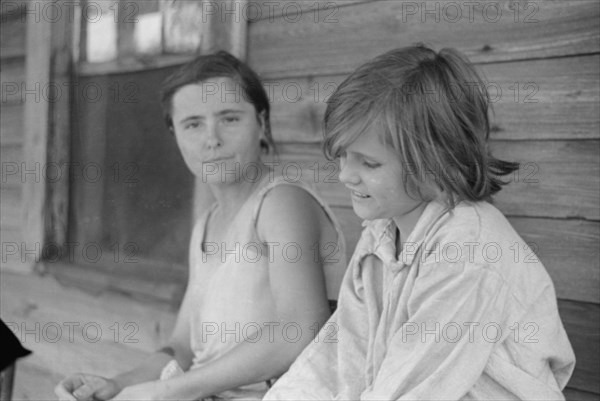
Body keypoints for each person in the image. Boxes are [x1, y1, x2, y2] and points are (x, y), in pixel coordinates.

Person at [263, 44, 576, 400]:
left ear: (433, 160)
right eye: (343, 156)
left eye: (369, 163)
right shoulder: (381, 234)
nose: (346, 175)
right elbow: (337, 360)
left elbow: (412, 390)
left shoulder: (466, 250)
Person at [55, 51, 346, 401]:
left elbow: (299, 329)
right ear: (174, 133)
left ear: (262, 123)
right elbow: (181, 347)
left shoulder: (281, 203)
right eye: (193, 124)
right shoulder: (206, 225)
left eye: (230, 119)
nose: (212, 139)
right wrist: (117, 384)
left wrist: (168, 391)